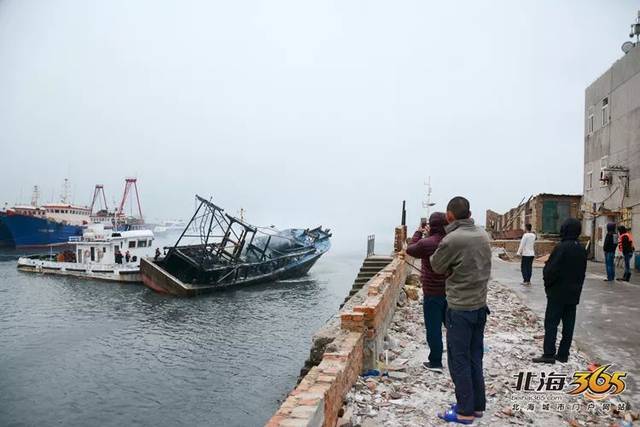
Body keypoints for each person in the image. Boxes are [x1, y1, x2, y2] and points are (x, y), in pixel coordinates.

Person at [430, 197, 492, 424]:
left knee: (459, 360)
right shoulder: (483, 235)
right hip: (480, 306)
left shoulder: (452, 239)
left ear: (449, 216)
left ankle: (464, 411)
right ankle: (477, 406)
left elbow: (437, 266)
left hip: (460, 309)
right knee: (475, 357)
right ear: (470, 213)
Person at [532, 218, 587, 364]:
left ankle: (549, 354)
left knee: (551, 324)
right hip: (574, 293)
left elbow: (551, 270)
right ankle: (563, 354)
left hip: (557, 293)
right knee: (568, 326)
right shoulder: (581, 248)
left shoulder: (561, 247)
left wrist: (548, 285)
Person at [406, 212, 448, 373]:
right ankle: (458, 359)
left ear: (430, 225)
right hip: (451, 292)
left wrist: (419, 232)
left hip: (432, 293)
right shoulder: (450, 241)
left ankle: (436, 362)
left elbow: (410, 249)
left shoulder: (426, 243)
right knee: (453, 327)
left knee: (433, 328)